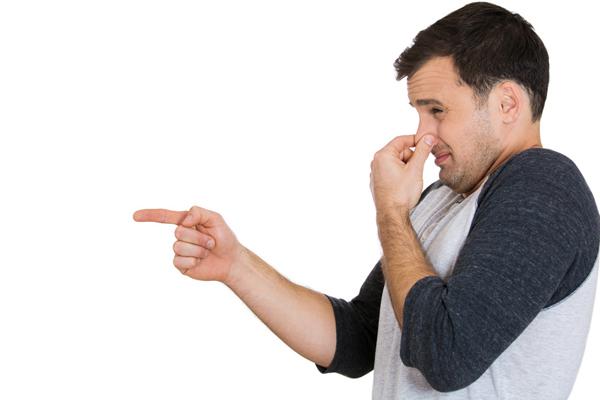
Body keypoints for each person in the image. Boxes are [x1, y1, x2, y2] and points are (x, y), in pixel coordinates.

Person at [133, 2, 600, 399]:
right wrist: (236, 265)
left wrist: (392, 213)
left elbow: (447, 355)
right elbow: (358, 341)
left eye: (437, 111)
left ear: (507, 104)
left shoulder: (545, 186)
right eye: (418, 113)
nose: (423, 135)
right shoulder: (441, 199)